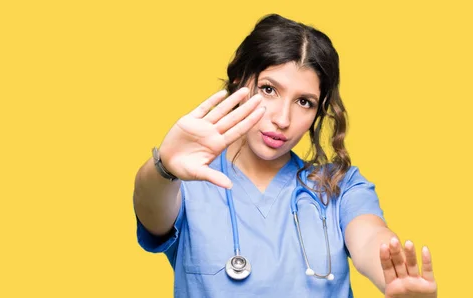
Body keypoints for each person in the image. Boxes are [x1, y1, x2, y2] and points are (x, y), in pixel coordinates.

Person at [132, 13, 437, 298]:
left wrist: (393, 274)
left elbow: (370, 237)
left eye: (304, 102)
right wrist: (164, 168)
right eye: (269, 90)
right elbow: (150, 208)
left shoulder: (340, 187)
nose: (283, 119)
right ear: (240, 79)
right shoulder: (187, 179)